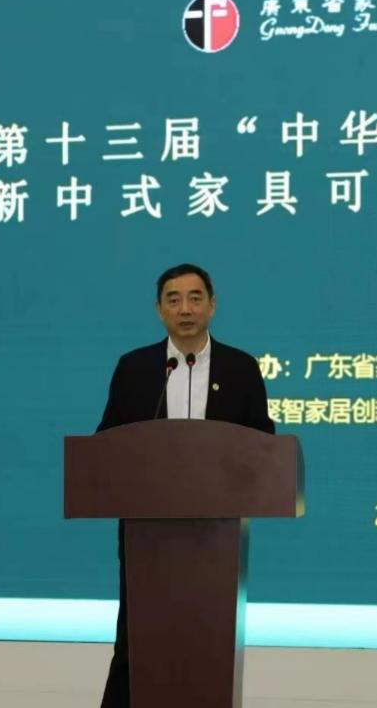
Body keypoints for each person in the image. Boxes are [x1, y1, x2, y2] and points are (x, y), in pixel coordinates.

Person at [96, 263, 275, 708]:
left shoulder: (241, 368)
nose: (185, 309)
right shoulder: (134, 368)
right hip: (147, 540)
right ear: (159, 310)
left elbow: (263, 447)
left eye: (195, 298)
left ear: (212, 306)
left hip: (217, 540)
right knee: (136, 648)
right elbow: (105, 447)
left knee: (208, 649)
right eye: (173, 300)